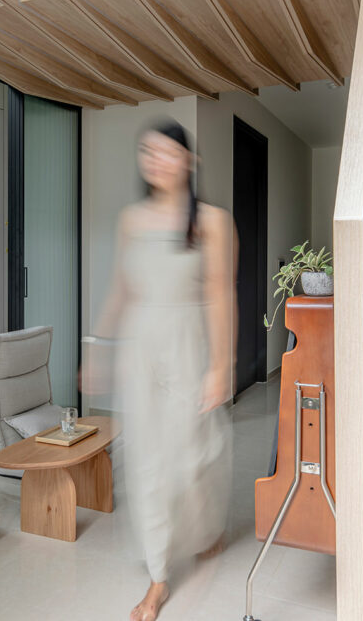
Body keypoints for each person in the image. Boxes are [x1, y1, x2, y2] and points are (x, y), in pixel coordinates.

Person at [86, 120, 237, 621]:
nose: (157, 161)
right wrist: (97, 349)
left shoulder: (211, 221)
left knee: (196, 454)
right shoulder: (132, 219)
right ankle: (158, 578)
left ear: (189, 162)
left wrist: (222, 364)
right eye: (148, 152)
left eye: (168, 152)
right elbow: (121, 289)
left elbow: (220, 293)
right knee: (148, 461)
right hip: (141, 349)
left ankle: (206, 528)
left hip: (188, 346)